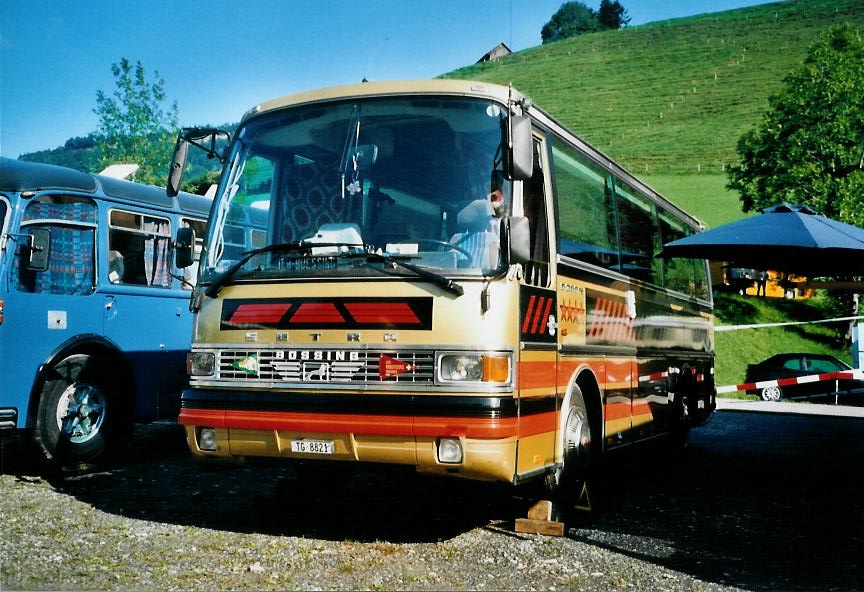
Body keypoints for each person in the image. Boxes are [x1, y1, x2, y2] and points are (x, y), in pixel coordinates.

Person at [450, 171, 509, 269]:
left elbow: (494, 269)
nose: (490, 196)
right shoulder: (455, 240)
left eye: (493, 192)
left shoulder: (494, 239)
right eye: (489, 192)